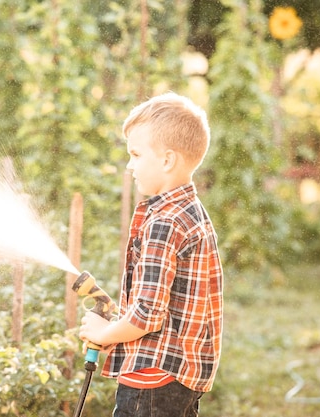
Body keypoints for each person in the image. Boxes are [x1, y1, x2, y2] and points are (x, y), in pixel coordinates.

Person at [79, 92, 223, 417]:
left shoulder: (165, 222)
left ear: (167, 160)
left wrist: (105, 333)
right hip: (181, 375)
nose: (129, 164)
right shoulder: (190, 211)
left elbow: (147, 315)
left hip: (152, 380)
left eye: (136, 154)